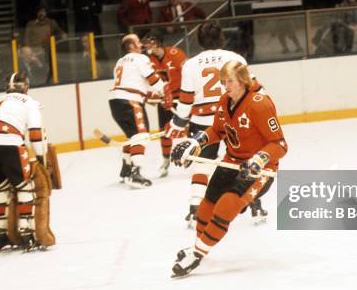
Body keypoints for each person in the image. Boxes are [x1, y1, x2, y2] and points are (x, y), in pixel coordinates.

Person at [169, 60, 288, 277]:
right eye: (223, 81)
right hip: (230, 162)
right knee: (206, 206)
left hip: (258, 170)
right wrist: (197, 142)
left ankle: (197, 254)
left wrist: (259, 159)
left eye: (229, 81)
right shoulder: (225, 101)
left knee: (226, 206)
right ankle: (197, 245)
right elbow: (217, 130)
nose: (225, 85)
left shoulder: (260, 104)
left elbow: (280, 145)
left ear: (243, 80)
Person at [0, 71, 55, 250]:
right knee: (24, 186)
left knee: (0, 189)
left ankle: (0, 235)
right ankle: (27, 234)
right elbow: (35, 133)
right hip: (8, 142)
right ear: (26, 86)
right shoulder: (29, 102)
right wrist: (42, 159)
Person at [109, 34, 166, 188]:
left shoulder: (120, 62)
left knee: (132, 136)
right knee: (141, 136)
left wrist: (151, 96)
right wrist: (164, 92)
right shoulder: (139, 58)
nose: (141, 44)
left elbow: (137, 84)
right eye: (138, 42)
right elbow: (152, 78)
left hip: (115, 102)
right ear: (132, 46)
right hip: (130, 101)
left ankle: (126, 169)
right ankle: (136, 172)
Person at [143, 36, 187, 177]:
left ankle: (200, 156)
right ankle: (166, 160)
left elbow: (189, 73)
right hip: (164, 98)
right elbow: (146, 82)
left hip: (183, 96)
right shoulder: (148, 61)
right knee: (165, 130)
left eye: (149, 45)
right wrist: (149, 95)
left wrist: (189, 94)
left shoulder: (176, 54)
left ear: (157, 44)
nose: (146, 48)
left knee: (192, 127)